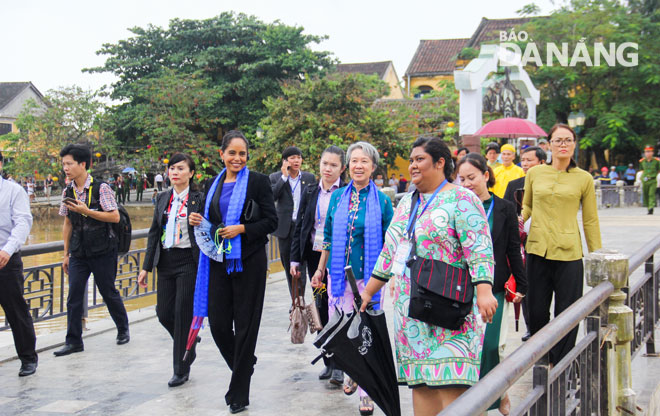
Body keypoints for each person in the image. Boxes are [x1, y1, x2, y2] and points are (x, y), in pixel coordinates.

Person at [360, 137, 498, 415]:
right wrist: (368, 292)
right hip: (412, 312)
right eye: (411, 160)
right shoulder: (406, 203)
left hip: (450, 309)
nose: (412, 166)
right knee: (421, 384)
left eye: (419, 159)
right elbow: (390, 253)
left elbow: (479, 247)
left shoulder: (462, 198)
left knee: (453, 385)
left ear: (440, 162)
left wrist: (484, 290)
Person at [189, 131, 277, 414]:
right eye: (232, 153)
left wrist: (242, 229)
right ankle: (245, 365)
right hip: (218, 261)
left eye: (242, 153)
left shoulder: (259, 182)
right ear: (221, 154)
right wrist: (198, 219)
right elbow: (211, 221)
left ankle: (239, 393)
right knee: (218, 324)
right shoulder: (211, 184)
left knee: (246, 325)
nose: (237, 158)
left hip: (249, 261)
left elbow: (271, 222)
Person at [311, 141, 393, 415]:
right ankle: (353, 372)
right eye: (354, 161)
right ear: (349, 166)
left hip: (367, 279)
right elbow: (328, 238)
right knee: (347, 332)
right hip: (338, 277)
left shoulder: (381, 201)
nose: (359, 166)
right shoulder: (337, 197)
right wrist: (320, 270)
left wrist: (384, 278)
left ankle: (366, 392)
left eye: (364, 161)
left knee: (365, 333)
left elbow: (391, 242)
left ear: (373, 167)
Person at [522, 124, 602, 366]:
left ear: (574, 144)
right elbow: (527, 206)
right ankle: (540, 358)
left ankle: (562, 364)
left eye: (568, 140)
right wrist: (517, 220)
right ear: (549, 145)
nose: (563, 144)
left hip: (569, 253)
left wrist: (597, 255)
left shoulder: (584, 179)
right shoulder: (535, 173)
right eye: (558, 140)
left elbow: (590, 219)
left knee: (567, 313)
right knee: (536, 311)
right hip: (537, 249)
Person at [457, 153, 526, 414]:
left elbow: (512, 247)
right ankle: (477, 400)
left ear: (486, 176)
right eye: (462, 179)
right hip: (461, 288)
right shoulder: (457, 207)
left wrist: (521, 283)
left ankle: (495, 395)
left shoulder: (504, 208)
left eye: (471, 178)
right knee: (467, 349)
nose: (466, 184)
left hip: (494, 286)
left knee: (491, 346)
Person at [53, 144, 130, 356]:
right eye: (64, 164)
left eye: (69, 164)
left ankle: (123, 328)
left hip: (103, 249)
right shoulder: (67, 190)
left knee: (107, 291)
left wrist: (87, 211)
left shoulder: (101, 188)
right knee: (74, 295)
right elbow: (68, 223)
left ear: (83, 164)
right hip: (79, 251)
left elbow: (114, 216)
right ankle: (73, 341)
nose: (65, 168)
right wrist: (66, 254)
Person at [138, 153, 202, 387]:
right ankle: (189, 343)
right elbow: (154, 233)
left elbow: (211, 228)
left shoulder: (198, 199)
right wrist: (146, 267)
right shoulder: (164, 198)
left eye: (180, 168)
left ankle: (180, 369)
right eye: (172, 168)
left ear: (191, 173)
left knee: (183, 314)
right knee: (164, 312)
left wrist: (201, 221)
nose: (174, 172)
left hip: (188, 261)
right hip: (165, 261)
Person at [290, 146, 346, 386]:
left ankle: (342, 365)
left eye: (333, 165)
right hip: (315, 261)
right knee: (321, 305)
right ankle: (329, 359)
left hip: (340, 260)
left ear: (342, 168)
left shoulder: (346, 192)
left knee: (340, 308)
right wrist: (295, 259)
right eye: (325, 163)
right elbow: (301, 226)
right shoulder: (311, 190)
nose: (328, 169)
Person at [0, 151, 38, 377]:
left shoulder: (13, 191)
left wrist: (7, 250)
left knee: (16, 311)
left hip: (5, 259)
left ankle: (28, 358)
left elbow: (23, 222)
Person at [503, 145, 546, 342]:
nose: (526, 164)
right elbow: (505, 211)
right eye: (524, 160)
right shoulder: (514, 185)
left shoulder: (547, 185)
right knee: (525, 285)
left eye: (531, 160)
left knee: (543, 288)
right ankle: (531, 327)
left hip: (543, 240)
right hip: (520, 242)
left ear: (542, 162)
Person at [269, 146, 315, 300]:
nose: (296, 160)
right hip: (286, 229)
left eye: (299, 157)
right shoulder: (275, 178)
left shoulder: (309, 178)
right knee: (290, 267)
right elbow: (272, 196)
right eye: (292, 158)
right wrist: (284, 177)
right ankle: (296, 300)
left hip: (303, 228)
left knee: (303, 266)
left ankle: (307, 300)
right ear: (285, 161)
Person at [640, 146, 660, 215]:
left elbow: (658, 170)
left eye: (649, 152)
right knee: (645, 194)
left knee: (651, 194)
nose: (648, 153)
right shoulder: (642, 161)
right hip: (645, 180)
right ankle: (648, 207)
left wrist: (653, 175)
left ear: (652, 153)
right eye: (646, 152)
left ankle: (651, 207)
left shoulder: (656, 161)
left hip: (652, 180)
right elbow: (642, 170)